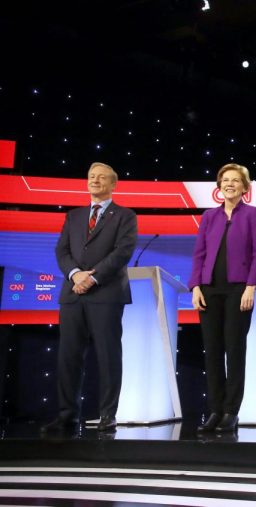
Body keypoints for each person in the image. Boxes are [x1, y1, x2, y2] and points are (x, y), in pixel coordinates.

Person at [43, 162, 137, 433]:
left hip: (106, 294)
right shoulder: (73, 216)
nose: (95, 181)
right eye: (91, 177)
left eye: (101, 177)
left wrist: (92, 278)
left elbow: (123, 252)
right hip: (72, 295)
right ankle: (67, 414)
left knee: (108, 356)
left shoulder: (125, 215)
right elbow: (62, 251)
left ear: (113, 184)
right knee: (68, 356)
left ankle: (108, 414)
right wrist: (75, 275)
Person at [189, 163, 256, 434]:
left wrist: (251, 286)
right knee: (212, 352)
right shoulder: (209, 216)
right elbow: (199, 254)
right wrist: (195, 286)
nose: (229, 184)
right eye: (225, 180)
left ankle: (231, 411)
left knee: (234, 350)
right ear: (219, 186)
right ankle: (215, 410)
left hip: (237, 290)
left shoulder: (253, 215)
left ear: (245, 188)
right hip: (209, 290)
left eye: (235, 180)